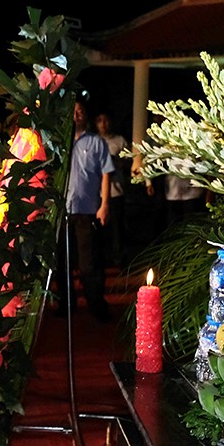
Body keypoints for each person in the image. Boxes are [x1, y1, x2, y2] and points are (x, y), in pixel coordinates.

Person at [65, 100, 114, 321]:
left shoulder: (96, 143)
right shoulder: (61, 143)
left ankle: (96, 304)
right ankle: (66, 304)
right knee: (64, 262)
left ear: (86, 116)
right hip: (64, 211)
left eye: (80, 112)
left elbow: (106, 174)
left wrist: (104, 205)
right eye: (73, 112)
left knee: (89, 264)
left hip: (88, 210)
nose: (76, 115)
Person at [94, 112, 129, 263]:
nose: (103, 124)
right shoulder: (92, 141)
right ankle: (102, 259)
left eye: (106, 120)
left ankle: (119, 259)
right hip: (97, 193)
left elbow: (129, 162)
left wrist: (114, 164)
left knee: (117, 228)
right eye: (100, 120)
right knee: (99, 230)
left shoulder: (119, 141)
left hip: (116, 191)